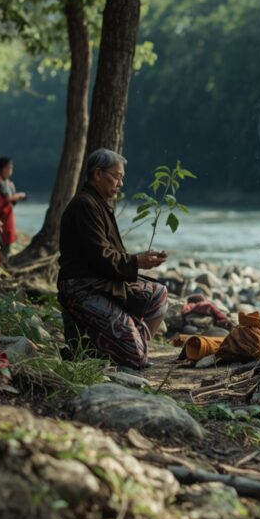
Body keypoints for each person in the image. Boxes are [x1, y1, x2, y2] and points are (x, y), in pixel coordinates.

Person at [57, 149, 168, 369]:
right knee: (135, 358)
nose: (120, 184)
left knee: (158, 294)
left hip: (104, 281)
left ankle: (131, 342)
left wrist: (139, 261)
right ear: (98, 174)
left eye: (121, 178)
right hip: (83, 287)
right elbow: (101, 257)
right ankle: (121, 349)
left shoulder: (97, 202)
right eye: (117, 177)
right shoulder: (84, 205)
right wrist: (137, 262)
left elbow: (107, 254)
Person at [0, 157, 27, 255]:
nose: (10, 170)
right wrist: (19, 196)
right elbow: (6, 198)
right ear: (2, 168)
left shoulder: (9, 183)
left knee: (7, 239)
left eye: (11, 168)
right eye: (8, 168)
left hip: (8, 215)